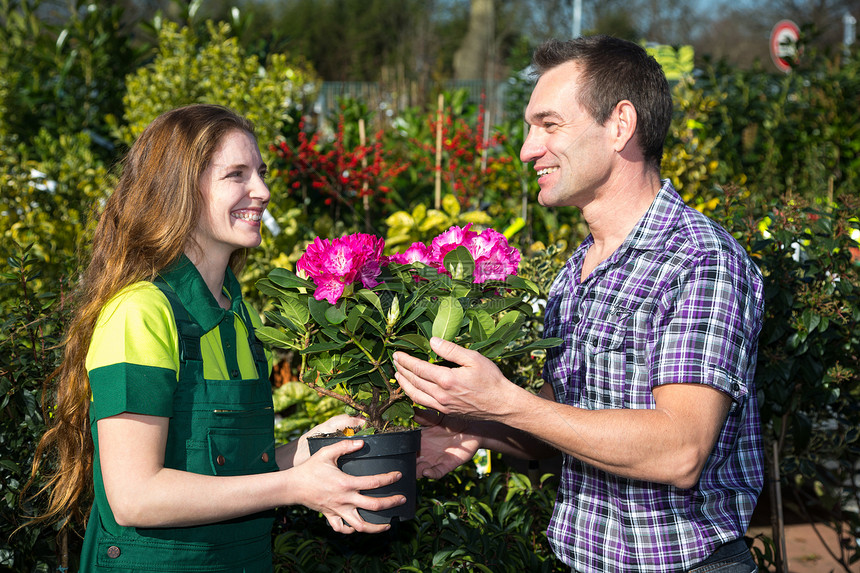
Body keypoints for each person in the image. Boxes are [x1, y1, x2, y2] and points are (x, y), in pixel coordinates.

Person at [392, 36, 764, 573]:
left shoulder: (700, 261)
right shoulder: (577, 272)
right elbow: (559, 425)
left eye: (549, 124)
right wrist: (472, 428)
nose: (526, 149)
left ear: (620, 124)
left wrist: (504, 403)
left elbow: (680, 450)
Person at [26, 104, 404, 571]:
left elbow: (228, 473)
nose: (262, 192)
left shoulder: (237, 315)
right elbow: (134, 497)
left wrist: (306, 454)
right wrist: (294, 486)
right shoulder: (140, 313)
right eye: (236, 174)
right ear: (179, 190)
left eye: (261, 173)